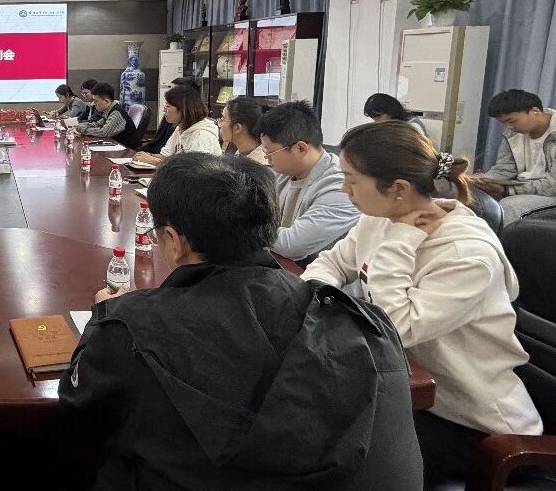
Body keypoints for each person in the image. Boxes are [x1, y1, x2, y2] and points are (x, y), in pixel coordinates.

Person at [60, 153, 422, 490]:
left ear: (173, 240)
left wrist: (103, 317)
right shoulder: (364, 322)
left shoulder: (129, 328)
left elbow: (80, 410)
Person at [303, 121, 541, 486]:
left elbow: (395, 328)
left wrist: (401, 242)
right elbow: (331, 263)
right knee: (306, 423)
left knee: (333, 459)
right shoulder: (378, 218)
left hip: (473, 424)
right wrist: (318, 299)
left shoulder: (467, 255)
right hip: (407, 392)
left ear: (398, 188)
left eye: (351, 181)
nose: (343, 189)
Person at [472, 89, 556, 224]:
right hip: (529, 187)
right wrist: (481, 181)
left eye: (511, 121)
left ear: (535, 111)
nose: (509, 127)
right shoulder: (514, 134)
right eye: (504, 123)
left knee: (508, 207)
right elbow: (504, 168)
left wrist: (508, 190)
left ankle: (500, 238)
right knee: (473, 197)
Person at [253, 101, 359, 262]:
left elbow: (291, 245)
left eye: (269, 152)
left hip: (318, 273)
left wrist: (244, 227)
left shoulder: (339, 186)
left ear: (301, 148)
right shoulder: (286, 172)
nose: (267, 159)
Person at [131, 82, 219, 166]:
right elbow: (166, 156)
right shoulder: (181, 127)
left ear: (183, 109)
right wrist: (148, 156)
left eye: (168, 106)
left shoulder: (201, 135)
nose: (164, 110)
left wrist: (153, 161)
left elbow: (192, 170)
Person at [75, 82, 141, 149]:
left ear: (106, 101)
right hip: (116, 145)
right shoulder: (108, 110)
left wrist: (84, 130)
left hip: (128, 150)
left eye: (96, 101)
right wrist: (81, 126)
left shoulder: (116, 113)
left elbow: (104, 132)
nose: (94, 104)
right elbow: (98, 124)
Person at [135, 77, 188, 154]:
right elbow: (158, 142)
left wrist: (151, 157)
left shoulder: (188, 125)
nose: (169, 93)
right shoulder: (170, 116)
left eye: (173, 91)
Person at [220, 95, 268, 165]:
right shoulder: (241, 152)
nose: (220, 124)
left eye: (223, 119)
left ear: (237, 128)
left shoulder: (258, 165)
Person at [363, 92, 429, 137]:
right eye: (374, 119)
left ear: (390, 110)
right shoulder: (393, 123)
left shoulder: (413, 127)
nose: (377, 122)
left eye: (379, 117)